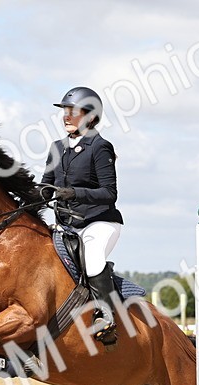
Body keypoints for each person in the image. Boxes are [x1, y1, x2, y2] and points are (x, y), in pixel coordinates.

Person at [41, 86, 123, 342]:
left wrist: (74, 193)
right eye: (65, 111)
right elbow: (45, 185)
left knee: (92, 253)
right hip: (67, 225)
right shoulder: (57, 148)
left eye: (73, 112)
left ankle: (106, 315)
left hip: (99, 223)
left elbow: (109, 193)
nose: (66, 116)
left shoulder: (100, 147)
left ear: (90, 116)